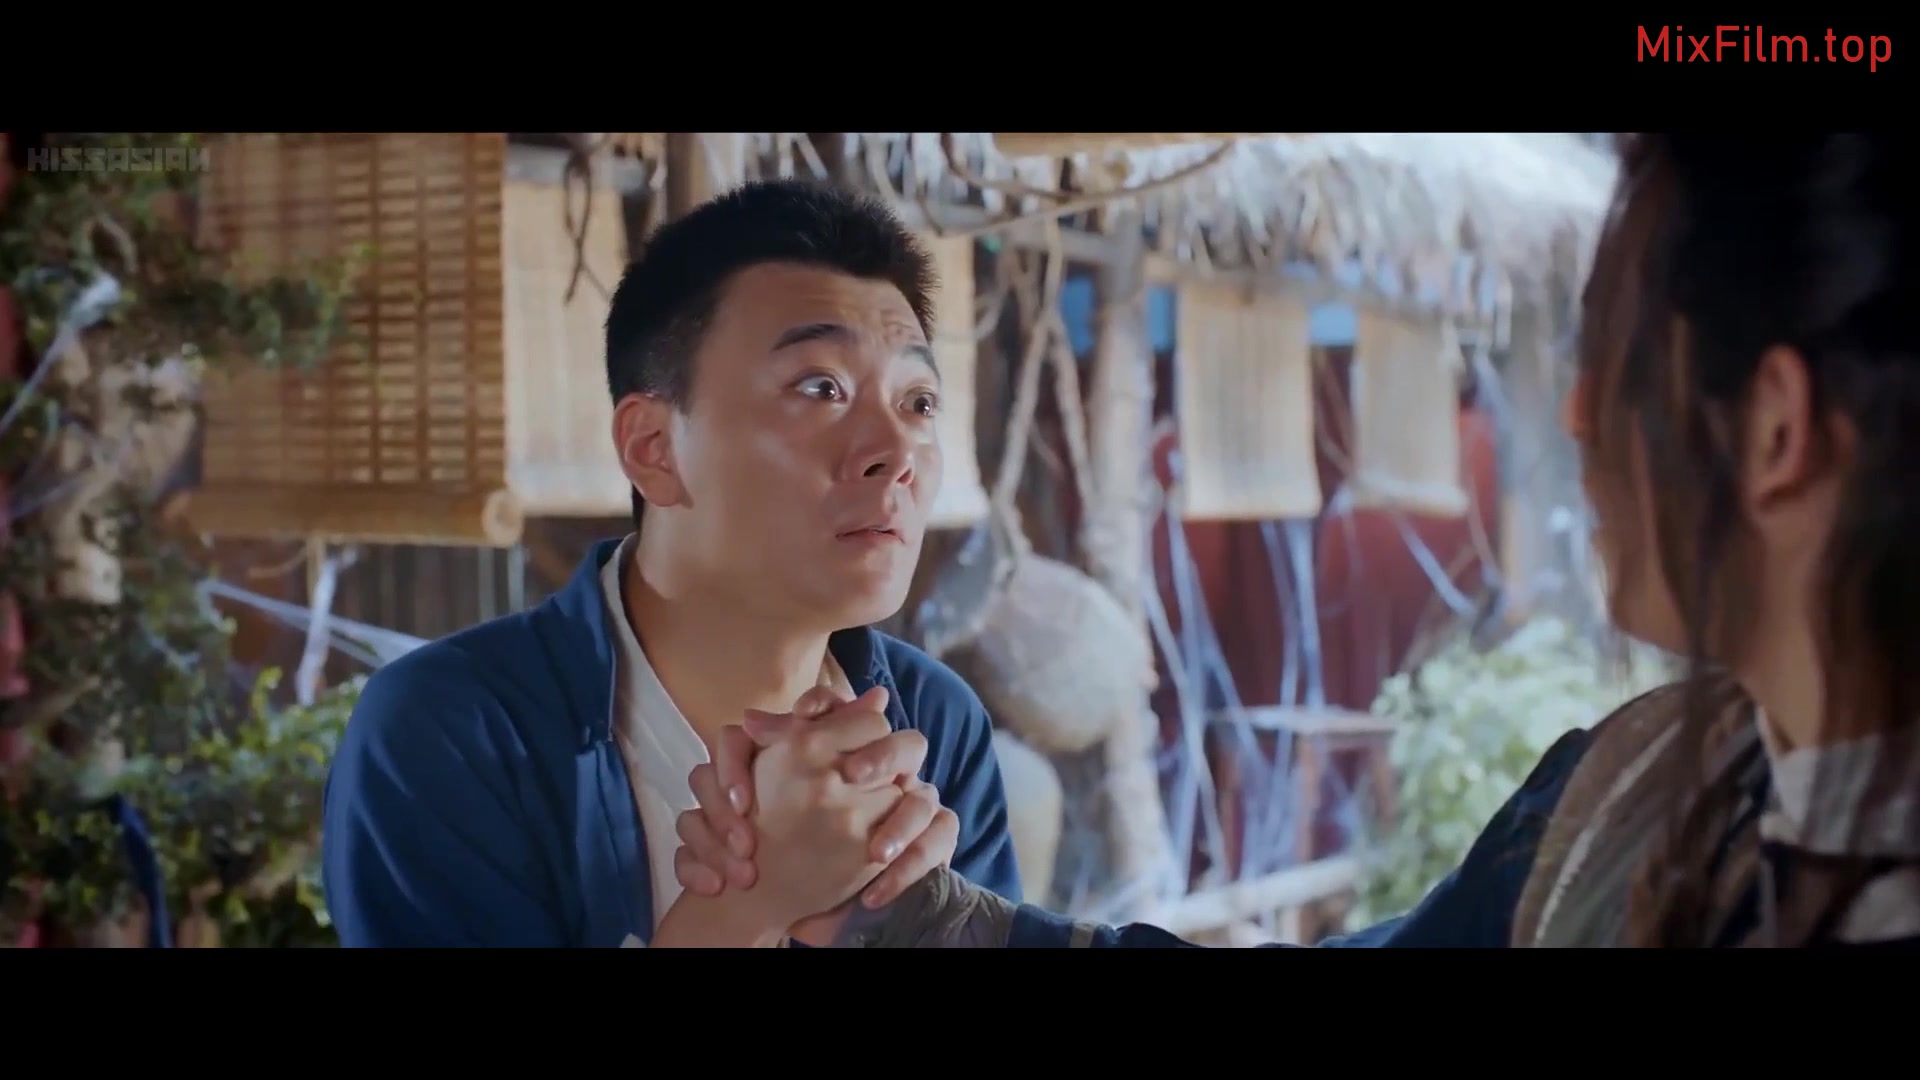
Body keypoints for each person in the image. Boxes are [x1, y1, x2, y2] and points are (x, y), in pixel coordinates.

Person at [675, 133, 1920, 948]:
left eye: (1625, 357)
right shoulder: (1638, 796)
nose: (1579, 413)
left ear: (1774, 429)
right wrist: (902, 915)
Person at [320, 178, 1022, 947]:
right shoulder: (452, 732)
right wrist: (748, 905)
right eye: (821, 387)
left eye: (919, 403)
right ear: (653, 448)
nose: (896, 451)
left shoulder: (934, 725)